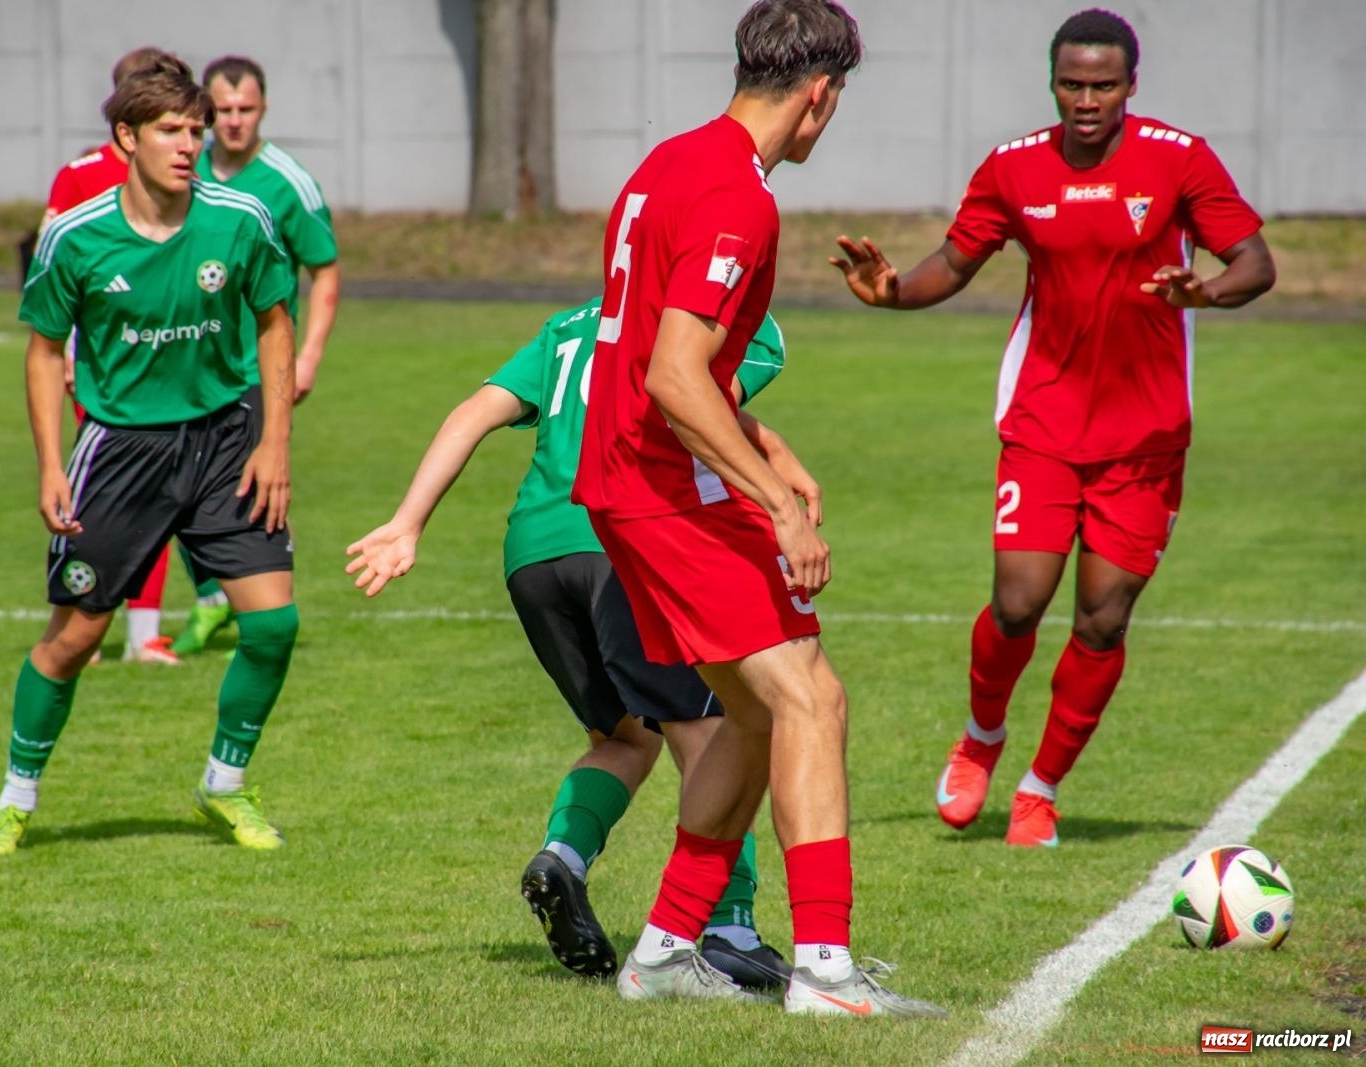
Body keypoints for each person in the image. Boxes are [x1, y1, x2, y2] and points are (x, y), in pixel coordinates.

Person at [571, 0, 943, 1016]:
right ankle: (823, 968)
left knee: (747, 711)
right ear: (818, 96)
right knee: (809, 699)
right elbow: (673, 374)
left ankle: (659, 954)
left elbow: (663, 351)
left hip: (622, 479)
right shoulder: (740, 198)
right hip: (661, 485)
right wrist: (775, 501)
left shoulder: (666, 163)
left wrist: (767, 446)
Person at [830, 8, 1275, 848]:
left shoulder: (1179, 160)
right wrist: (893, 290)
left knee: (1103, 618)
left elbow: (1255, 261)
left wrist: (1206, 291)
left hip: (1145, 440)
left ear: (1130, 86)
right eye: (1072, 83)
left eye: (1103, 85)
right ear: (1052, 82)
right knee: (1017, 600)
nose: (1086, 99)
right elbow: (955, 262)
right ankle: (981, 738)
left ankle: (1040, 788)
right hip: (1042, 422)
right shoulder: (1012, 168)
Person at [346, 297, 801, 991]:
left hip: (534, 553)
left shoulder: (569, 325)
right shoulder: (736, 318)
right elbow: (699, 413)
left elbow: (471, 411)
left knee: (623, 736)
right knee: (713, 732)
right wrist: (778, 483)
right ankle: (730, 927)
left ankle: (564, 856)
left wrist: (408, 522)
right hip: (626, 536)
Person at [0, 54, 301, 856]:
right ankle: (16, 799)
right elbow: (45, 353)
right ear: (126, 137)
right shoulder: (76, 239)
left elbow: (273, 323)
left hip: (226, 442)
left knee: (273, 625)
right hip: (120, 452)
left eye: (195, 130)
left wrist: (274, 442)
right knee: (76, 639)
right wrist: (52, 464)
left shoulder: (239, 219)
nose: (189, 144)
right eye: (170, 131)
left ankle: (224, 785)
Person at [173, 54, 343, 658]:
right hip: (188, 363)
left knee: (255, 483)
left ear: (264, 109)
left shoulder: (286, 182)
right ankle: (216, 600)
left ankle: (265, 614)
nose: (235, 122)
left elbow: (324, 272)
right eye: (223, 111)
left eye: (247, 110)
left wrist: (310, 355)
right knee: (179, 484)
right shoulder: (184, 173)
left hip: (253, 367)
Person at [37, 44, 185, 666]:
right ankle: (82, 620)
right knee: (95, 499)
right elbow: (51, 271)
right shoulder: (79, 177)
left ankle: (139, 634)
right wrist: (69, 348)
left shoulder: (189, 178)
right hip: (101, 367)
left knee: (158, 497)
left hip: (175, 365)